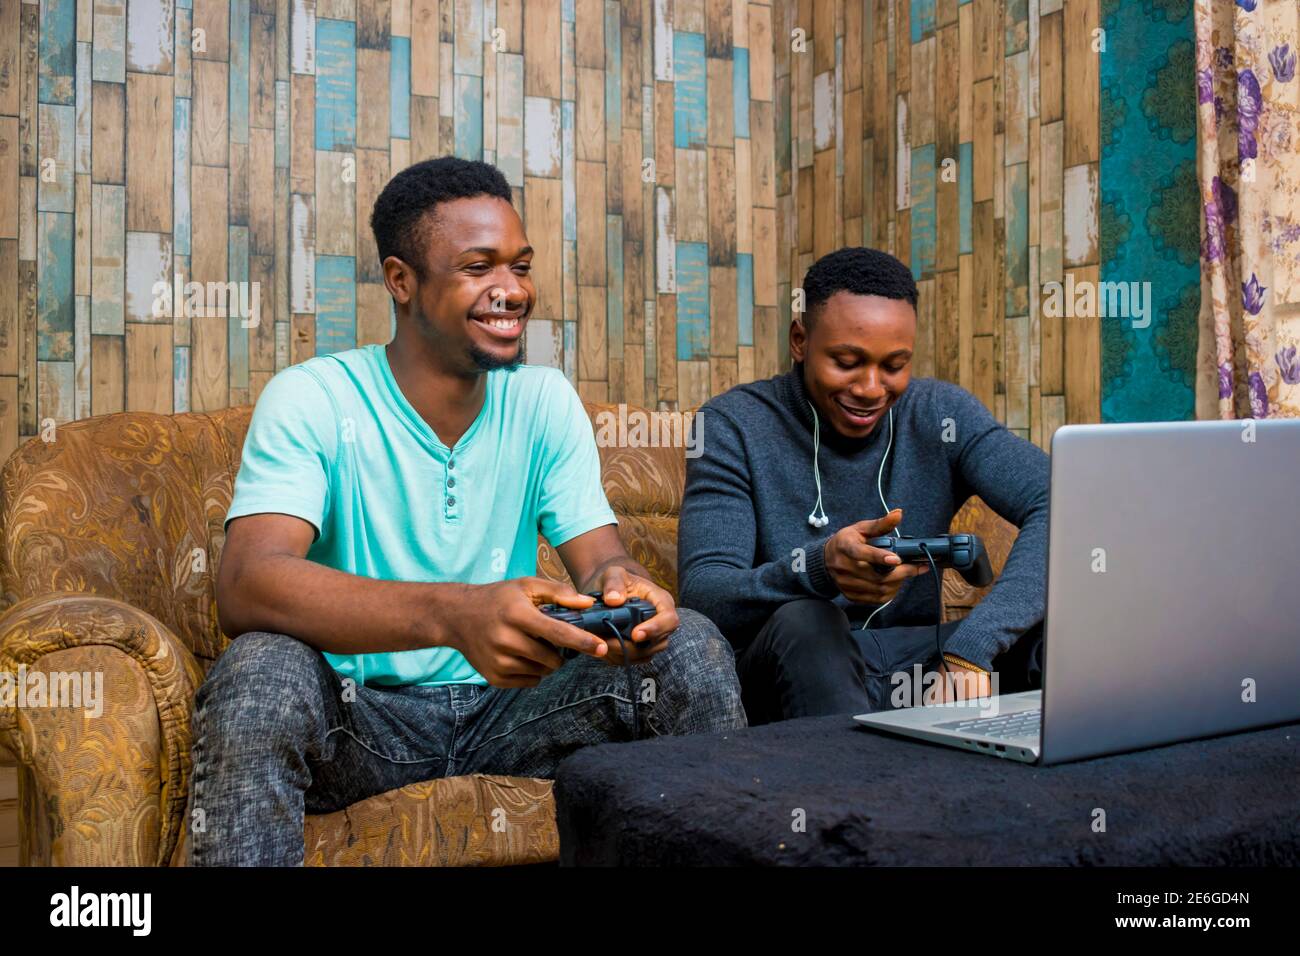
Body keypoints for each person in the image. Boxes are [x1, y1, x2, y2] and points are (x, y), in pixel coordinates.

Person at [191, 157, 745, 866]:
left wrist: (626, 589)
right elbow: (247, 584)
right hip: (363, 724)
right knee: (260, 670)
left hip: (517, 712)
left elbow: (601, 555)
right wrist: (457, 614)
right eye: (479, 267)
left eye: (521, 265)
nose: (511, 290)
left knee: (689, 645)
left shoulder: (543, 400)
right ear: (402, 281)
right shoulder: (314, 399)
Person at [678, 247, 1047, 725]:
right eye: (847, 361)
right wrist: (817, 569)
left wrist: (972, 649)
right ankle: (847, 794)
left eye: (894, 365)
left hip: (917, 670)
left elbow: (1063, 502)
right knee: (808, 620)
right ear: (799, 340)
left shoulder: (941, 414)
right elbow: (704, 594)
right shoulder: (732, 425)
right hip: (790, 669)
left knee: (1056, 635)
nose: (871, 387)